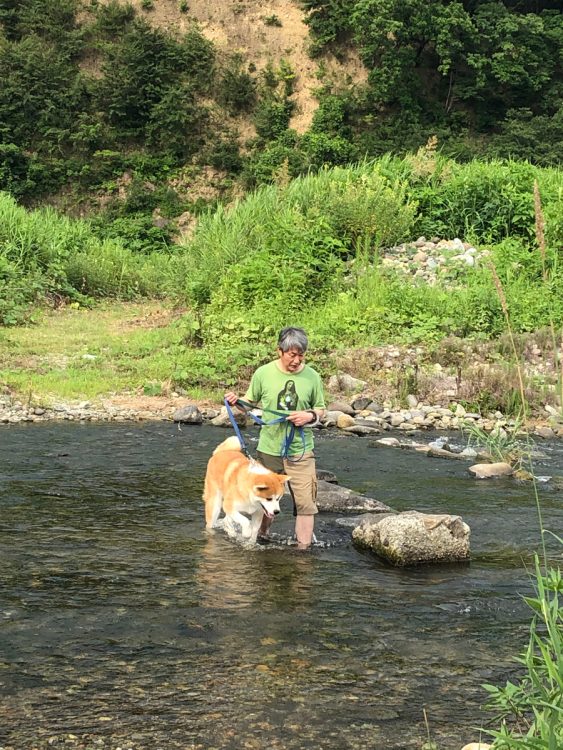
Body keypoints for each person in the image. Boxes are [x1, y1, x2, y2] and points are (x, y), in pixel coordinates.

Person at [225, 326, 326, 549]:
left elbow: (320, 410)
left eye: (301, 355)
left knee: (305, 504)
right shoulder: (263, 373)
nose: (297, 360)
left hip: (300, 451)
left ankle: (303, 551)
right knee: (267, 498)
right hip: (269, 449)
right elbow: (248, 405)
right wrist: (236, 402)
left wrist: (309, 416)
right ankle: (262, 535)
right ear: (279, 351)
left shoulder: (312, 377)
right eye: (292, 354)